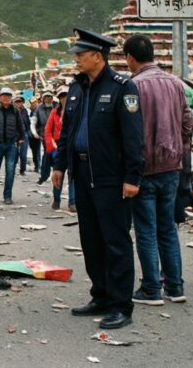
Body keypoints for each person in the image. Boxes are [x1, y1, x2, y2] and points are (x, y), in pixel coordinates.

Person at [51, 28, 143, 330]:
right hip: (82, 175)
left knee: (115, 241)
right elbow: (67, 132)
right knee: (91, 240)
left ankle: (121, 305)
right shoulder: (77, 88)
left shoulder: (122, 87)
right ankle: (100, 294)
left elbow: (133, 137)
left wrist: (132, 177)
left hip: (111, 178)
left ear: (97, 56)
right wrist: (59, 165)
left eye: (81, 54)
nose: (76, 59)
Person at [124, 35, 192, 306]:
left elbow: (128, 133)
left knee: (146, 230)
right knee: (168, 228)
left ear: (130, 57)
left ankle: (151, 288)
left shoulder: (133, 86)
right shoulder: (177, 84)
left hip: (144, 169)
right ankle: (175, 286)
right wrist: (175, 146)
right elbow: (188, 124)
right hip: (172, 168)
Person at [0, 87, 24, 204]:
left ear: (11, 97)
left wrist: (21, 138)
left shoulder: (15, 110)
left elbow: (21, 126)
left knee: (10, 170)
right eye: (4, 95)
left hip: (11, 145)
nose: (6, 97)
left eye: (8, 95)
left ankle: (7, 196)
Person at [45, 85, 74, 211]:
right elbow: (47, 131)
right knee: (58, 173)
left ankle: (72, 202)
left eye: (66, 96)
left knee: (73, 176)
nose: (64, 99)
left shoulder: (75, 110)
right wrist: (52, 147)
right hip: (58, 147)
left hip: (72, 147)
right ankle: (56, 199)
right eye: (62, 96)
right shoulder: (54, 112)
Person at [33, 90, 58, 184]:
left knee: (53, 155)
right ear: (43, 99)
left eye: (50, 97)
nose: (48, 99)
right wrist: (35, 132)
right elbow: (34, 121)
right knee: (48, 155)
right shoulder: (38, 108)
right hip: (45, 135)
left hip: (56, 135)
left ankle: (51, 173)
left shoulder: (56, 106)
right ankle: (44, 175)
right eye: (46, 97)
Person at [15, 95, 32, 176]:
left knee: (23, 154)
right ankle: (13, 168)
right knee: (14, 153)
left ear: (22, 103)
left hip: (24, 134)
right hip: (14, 135)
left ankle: (22, 170)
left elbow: (28, 122)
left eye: (20, 102)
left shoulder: (25, 111)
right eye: (17, 102)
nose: (18, 103)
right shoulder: (12, 111)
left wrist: (28, 132)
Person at [28, 97, 42, 174]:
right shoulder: (30, 110)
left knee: (37, 150)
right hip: (30, 134)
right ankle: (36, 165)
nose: (33, 103)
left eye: (34, 102)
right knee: (34, 150)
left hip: (37, 133)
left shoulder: (39, 110)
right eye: (32, 102)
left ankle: (38, 166)